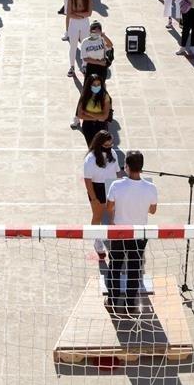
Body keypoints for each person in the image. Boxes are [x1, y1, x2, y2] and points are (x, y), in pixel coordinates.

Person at [105, 150, 159, 315]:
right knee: (135, 268)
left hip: (120, 232)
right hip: (139, 234)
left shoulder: (116, 185)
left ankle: (112, 300)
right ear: (141, 168)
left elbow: (109, 207)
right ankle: (130, 303)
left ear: (126, 167)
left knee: (115, 265)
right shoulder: (151, 188)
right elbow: (153, 210)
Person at [83, 131, 121, 259]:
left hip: (111, 186)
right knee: (98, 216)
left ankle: (113, 240)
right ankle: (97, 241)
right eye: (106, 145)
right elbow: (88, 180)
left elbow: (118, 173)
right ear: (99, 144)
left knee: (113, 215)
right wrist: (93, 198)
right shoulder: (90, 159)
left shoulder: (113, 154)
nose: (109, 147)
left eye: (111, 144)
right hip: (97, 188)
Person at [74, 73, 112, 145]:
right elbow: (80, 115)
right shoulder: (85, 95)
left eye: (98, 85)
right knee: (91, 146)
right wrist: (97, 117)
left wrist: (88, 113)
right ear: (89, 85)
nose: (96, 87)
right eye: (94, 85)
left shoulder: (105, 97)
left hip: (101, 126)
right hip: (87, 126)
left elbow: (104, 117)